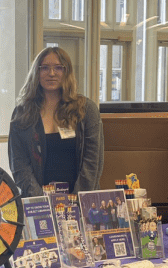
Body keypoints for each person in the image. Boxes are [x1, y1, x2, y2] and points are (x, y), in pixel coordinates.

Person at [8, 46, 104, 197]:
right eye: (45, 67)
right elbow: (19, 165)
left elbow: (93, 162)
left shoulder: (86, 109)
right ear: (36, 72)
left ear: (67, 72)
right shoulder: (22, 113)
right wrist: (41, 201)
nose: (51, 73)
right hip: (38, 204)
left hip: (81, 201)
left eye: (58, 68)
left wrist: (76, 201)